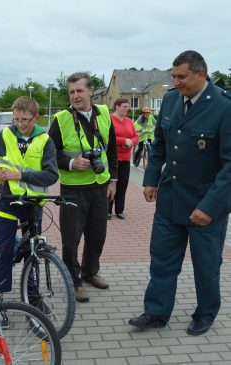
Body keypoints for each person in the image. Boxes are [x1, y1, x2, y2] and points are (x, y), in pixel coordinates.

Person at [128, 50, 231, 336]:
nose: (176, 82)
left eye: (181, 76)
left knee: (206, 266)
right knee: (162, 260)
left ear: (201, 73)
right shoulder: (172, 99)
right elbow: (160, 144)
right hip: (171, 200)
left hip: (205, 205)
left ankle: (205, 313)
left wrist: (210, 206)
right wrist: (150, 179)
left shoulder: (224, 107)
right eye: (173, 76)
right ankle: (156, 312)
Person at [0, 96, 58, 307]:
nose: (20, 124)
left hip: (34, 205)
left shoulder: (45, 140)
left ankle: (32, 297)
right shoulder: (5, 135)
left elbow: (51, 176)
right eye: (16, 120)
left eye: (25, 120)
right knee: (4, 249)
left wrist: (19, 175)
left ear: (36, 118)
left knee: (33, 251)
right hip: (9, 201)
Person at [49, 72, 118, 302]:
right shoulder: (61, 118)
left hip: (100, 186)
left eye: (79, 91)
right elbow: (48, 156)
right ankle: (73, 279)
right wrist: (71, 162)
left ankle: (90, 271)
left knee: (97, 236)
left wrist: (113, 180)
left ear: (91, 91)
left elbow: (112, 151)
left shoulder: (104, 114)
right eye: (71, 92)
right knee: (72, 238)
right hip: (73, 188)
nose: (75, 96)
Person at [108, 98, 138, 220]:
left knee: (123, 185)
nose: (127, 109)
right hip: (113, 159)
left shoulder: (129, 121)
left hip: (125, 159)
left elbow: (136, 136)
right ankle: (107, 210)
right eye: (124, 106)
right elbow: (108, 137)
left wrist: (131, 142)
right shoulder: (110, 120)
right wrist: (123, 140)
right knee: (111, 183)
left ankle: (119, 210)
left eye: (127, 107)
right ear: (117, 106)